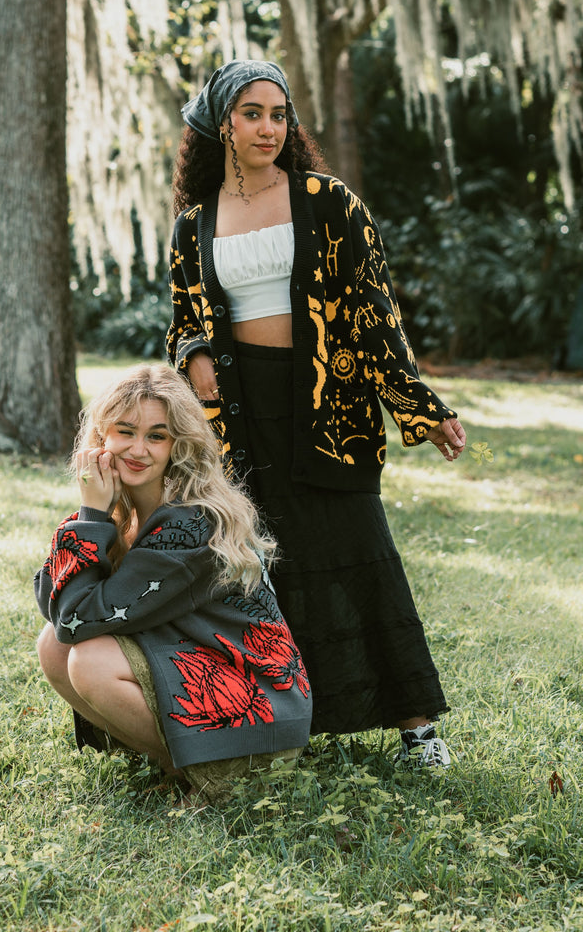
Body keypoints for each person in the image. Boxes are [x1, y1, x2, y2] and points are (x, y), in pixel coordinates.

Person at [166, 59, 467, 768]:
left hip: (330, 408)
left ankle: (419, 732)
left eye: (279, 114)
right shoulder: (194, 224)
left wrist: (420, 407)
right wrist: (195, 354)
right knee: (264, 565)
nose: (269, 127)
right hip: (239, 415)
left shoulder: (328, 203)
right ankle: (285, 725)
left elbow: (374, 312)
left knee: (359, 550)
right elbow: (181, 320)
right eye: (252, 114)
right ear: (221, 124)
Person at [34, 363, 312, 804]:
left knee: (87, 658)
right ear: (101, 439)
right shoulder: (124, 511)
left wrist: (89, 520)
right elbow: (56, 604)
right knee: (54, 645)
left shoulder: (190, 523)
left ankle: (219, 782)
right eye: (125, 431)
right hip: (210, 680)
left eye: (156, 436)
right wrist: (96, 515)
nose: (138, 449)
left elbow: (77, 618)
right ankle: (178, 767)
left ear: (177, 446)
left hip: (259, 724)